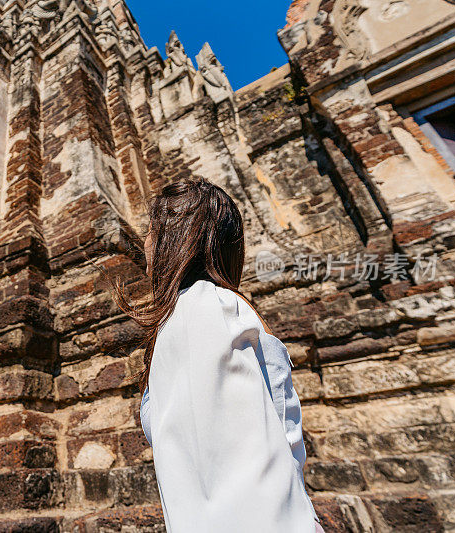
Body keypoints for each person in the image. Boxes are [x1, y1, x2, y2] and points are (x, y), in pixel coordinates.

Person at [112, 179, 324, 532]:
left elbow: (242, 474)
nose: (144, 242)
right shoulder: (199, 312)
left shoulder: (204, 308)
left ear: (173, 238)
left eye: (151, 230)